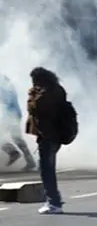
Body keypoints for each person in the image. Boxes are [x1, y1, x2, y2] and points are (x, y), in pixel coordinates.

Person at [25, 67, 67, 214]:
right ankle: (54, 199)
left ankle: (53, 202)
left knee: (47, 170)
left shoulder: (44, 93)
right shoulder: (58, 89)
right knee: (48, 168)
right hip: (56, 134)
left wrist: (31, 96)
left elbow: (35, 108)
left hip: (48, 134)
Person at [0, 73, 36, 170]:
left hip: (8, 115)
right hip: (13, 114)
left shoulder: (2, 82)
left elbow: (5, 102)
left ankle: (13, 152)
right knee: (17, 138)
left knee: (11, 138)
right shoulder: (5, 80)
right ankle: (30, 161)